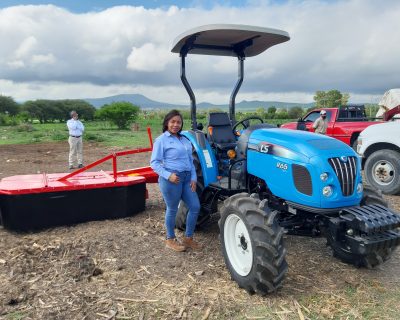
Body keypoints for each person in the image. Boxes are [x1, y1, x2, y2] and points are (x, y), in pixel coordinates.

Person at [150, 110, 202, 252]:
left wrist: (193, 177)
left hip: (186, 179)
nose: (175, 125)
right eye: (172, 122)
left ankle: (188, 238)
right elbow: (154, 163)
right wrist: (168, 175)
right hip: (172, 179)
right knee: (172, 209)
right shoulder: (161, 140)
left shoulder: (185, 139)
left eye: (178, 122)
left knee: (195, 206)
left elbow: (190, 161)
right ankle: (170, 239)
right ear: (167, 123)